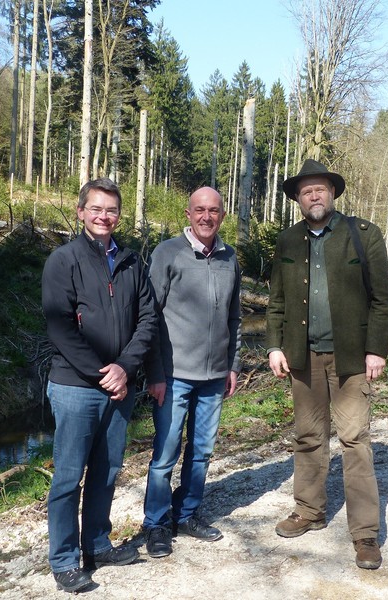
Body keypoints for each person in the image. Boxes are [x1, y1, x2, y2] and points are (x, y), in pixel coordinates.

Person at [265, 159, 388, 570]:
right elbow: (277, 303)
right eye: (306, 191)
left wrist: (377, 350)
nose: (314, 195)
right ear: (298, 200)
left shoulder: (363, 235)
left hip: (352, 358)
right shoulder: (287, 241)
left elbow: (382, 299)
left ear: (333, 193)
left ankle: (365, 534)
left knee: (354, 440)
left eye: (320, 188)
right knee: (308, 436)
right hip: (302, 357)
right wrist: (274, 346)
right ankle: (309, 511)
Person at [41, 177, 158, 593]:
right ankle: (65, 561)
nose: (103, 216)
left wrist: (125, 366)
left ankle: (97, 545)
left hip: (119, 386)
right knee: (69, 476)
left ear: (118, 215)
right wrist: (102, 373)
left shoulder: (130, 262)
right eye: (96, 209)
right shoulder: (63, 260)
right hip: (75, 386)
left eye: (110, 210)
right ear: (81, 212)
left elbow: (148, 319)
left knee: (106, 472)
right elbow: (59, 326)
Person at [142, 186, 242, 558]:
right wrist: (154, 372)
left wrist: (232, 365)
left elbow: (235, 316)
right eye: (199, 210)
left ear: (222, 215)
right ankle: (155, 523)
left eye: (213, 210)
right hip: (173, 376)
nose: (206, 217)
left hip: (215, 376)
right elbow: (148, 316)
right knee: (165, 453)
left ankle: (187, 514)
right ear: (188, 213)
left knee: (201, 452)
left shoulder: (229, 257)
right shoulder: (167, 253)